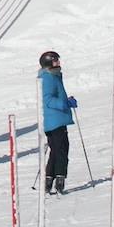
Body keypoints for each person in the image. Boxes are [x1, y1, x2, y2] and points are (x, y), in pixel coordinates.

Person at [37, 50, 78, 195]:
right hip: (55, 120)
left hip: (56, 119)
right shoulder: (48, 77)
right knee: (61, 150)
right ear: (49, 62)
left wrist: (66, 101)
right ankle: (59, 179)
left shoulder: (53, 75)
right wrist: (65, 103)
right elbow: (47, 100)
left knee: (56, 151)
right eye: (55, 60)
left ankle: (49, 180)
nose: (58, 62)